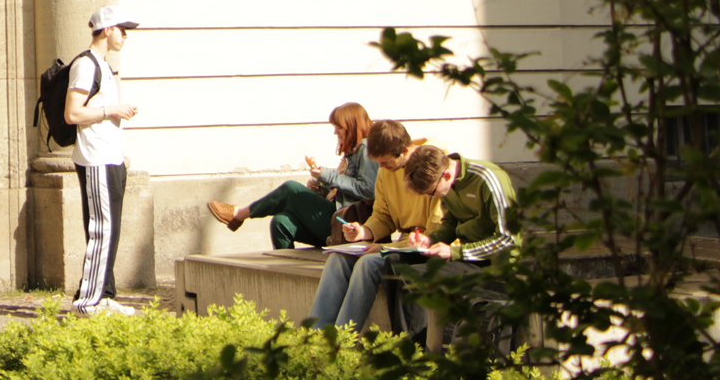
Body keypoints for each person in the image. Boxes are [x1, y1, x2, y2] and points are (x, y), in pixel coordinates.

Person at [305, 119, 443, 331]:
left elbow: (435, 232)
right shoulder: (386, 170)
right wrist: (364, 231)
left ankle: (342, 341)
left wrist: (385, 247)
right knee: (337, 258)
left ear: (405, 151)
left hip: (421, 249)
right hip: (400, 245)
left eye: (386, 163)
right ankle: (315, 336)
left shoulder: (432, 168)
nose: (381, 168)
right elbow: (383, 215)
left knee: (367, 264)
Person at [388, 145, 518, 341]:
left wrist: (455, 252)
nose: (430, 197)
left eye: (431, 192)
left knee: (414, 275)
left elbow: (508, 238)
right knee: (394, 262)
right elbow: (450, 225)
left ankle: (413, 349)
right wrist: (429, 239)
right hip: (466, 257)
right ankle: (399, 340)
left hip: (495, 264)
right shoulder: (446, 184)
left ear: (446, 175)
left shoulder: (488, 179)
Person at [206, 102, 377, 248]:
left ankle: (239, 214)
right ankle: (280, 272)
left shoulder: (366, 148)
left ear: (352, 126)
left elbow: (369, 190)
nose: (335, 132)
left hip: (347, 223)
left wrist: (327, 175)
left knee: (291, 188)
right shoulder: (352, 152)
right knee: (280, 222)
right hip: (334, 220)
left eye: (339, 127)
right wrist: (323, 189)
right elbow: (347, 189)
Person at [67, 5, 140, 316]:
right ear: (107, 30)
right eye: (122, 29)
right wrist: (112, 110)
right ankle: (88, 302)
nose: (125, 35)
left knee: (110, 231)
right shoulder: (86, 65)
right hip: (95, 159)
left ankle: (104, 295)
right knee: (101, 230)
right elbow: (72, 114)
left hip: (110, 158)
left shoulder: (104, 65)